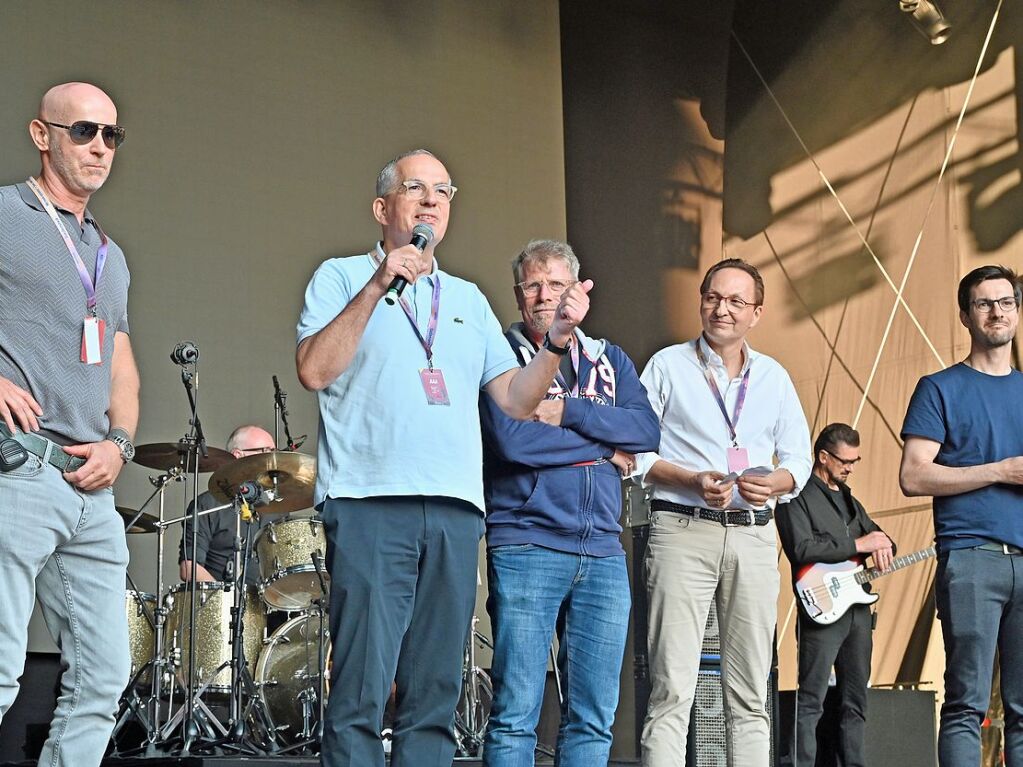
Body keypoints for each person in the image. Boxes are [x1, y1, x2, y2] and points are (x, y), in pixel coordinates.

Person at [295, 150, 592, 767]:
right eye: (415, 188)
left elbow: (515, 399)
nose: (432, 200)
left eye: (443, 190)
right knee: (361, 689)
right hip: (371, 500)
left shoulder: (467, 297)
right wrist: (380, 285)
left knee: (435, 693)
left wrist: (556, 343)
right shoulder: (342, 275)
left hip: (457, 508)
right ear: (383, 209)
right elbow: (314, 369)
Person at [479, 239, 660, 765]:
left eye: (556, 284)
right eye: (533, 285)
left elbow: (646, 429)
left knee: (593, 718)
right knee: (515, 716)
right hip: (526, 544)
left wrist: (571, 414)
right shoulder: (502, 357)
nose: (544, 296)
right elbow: (514, 441)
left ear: (576, 292)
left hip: (602, 551)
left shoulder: (611, 359)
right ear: (518, 295)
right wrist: (607, 446)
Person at [0, 82, 139, 767]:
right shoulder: (5, 212)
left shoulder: (108, 255)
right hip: (20, 470)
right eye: (84, 130)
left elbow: (122, 365)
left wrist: (120, 443)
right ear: (41, 134)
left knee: (102, 680)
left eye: (111, 135)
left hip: (93, 491)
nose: (99, 147)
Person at [636, 258, 812, 766]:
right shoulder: (667, 366)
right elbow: (637, 456)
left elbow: (798, 460)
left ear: (756, 313)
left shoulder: (774, 377)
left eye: (737, 301)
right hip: (682, 530)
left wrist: (772, 483)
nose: (722, 309)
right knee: (672, 688)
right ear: (701, 300)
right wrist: (691, 479)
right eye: (714, 297)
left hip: (754, 535)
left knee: (751, 693)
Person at [900, 264, 1023, 766]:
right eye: (984, 304)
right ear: (965, 316)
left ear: (1017, 310)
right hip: (972, 558)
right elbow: (914, 476)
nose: (996, 311)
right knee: (966, 704)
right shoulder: (939, 387)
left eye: (1006, 302)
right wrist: (999, 470)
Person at [777, 422, 894, 767]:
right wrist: (859, 544)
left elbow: (877, 536)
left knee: (855, 700)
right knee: (810, 698)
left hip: (857, 609)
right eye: (845, 461)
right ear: (823, 457)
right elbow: (800, 548)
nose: (851, 467)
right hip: (822, 607)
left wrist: (884, 543)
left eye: (856, 461)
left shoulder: (849, 500)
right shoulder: (795, 497)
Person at [178, 424, 277, 586]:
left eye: (274, 452)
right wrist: (226, 599)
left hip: (271, 603)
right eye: (265, 451)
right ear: (238, 455)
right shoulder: (207, 505)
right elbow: (189, 568)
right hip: (223, 604)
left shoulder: (278, 506)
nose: (273, 459)